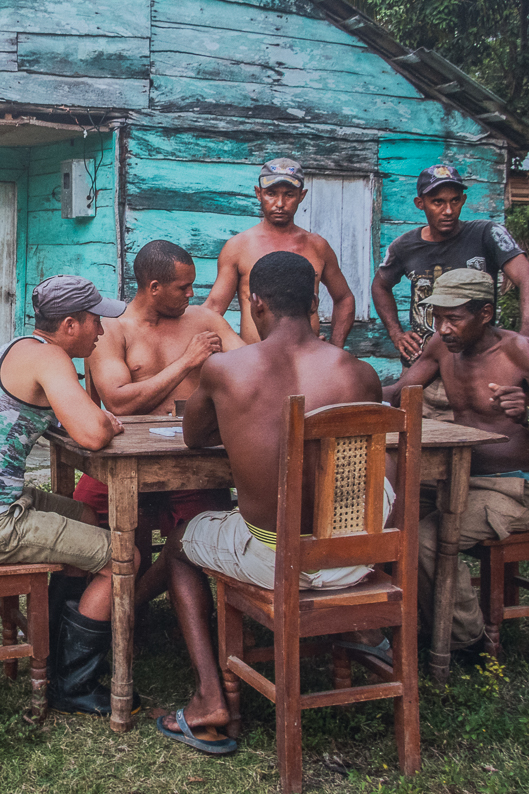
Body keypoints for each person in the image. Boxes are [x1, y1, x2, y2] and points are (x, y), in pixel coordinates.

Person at [158, 251, 387, 755]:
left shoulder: (225, 369)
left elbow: (196, 439)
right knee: (380, 490)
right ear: (313, 303)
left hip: (273, 557)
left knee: (178, 546)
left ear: (255, 303)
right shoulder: (359, 372)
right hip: (353, 558)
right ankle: (367, 630)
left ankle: (209, 698)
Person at [0, 274, 140, 716]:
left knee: (85, 512)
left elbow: (72, 421)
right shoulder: (52, 360)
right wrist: (101, 423)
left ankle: (59, 640)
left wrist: (96, 420)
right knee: (127, 558)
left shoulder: (20, 348)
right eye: (94, 321)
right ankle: (74, 682)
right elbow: (92, 432)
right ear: (68, 325)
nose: (101, 331)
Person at [381, 268, 529, 657]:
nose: (443, 328)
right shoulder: (442, 347)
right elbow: (397, 391)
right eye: (438, 318)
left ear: (486, 313)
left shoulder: (520, 351)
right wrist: (346, 384)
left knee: (427, 539)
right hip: (459, 481)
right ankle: (408, 624)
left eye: (454, 318)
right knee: (387, 512)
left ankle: (466, 641)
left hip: (517, 489)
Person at [82, 239, 243, 608]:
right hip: (124, 461)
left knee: (197, 534)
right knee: (85, 511)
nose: (192, 294)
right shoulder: (113, 328)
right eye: (183, 287)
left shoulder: (206, 321)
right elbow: (119, 401)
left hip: (192, 460)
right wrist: (188, 362)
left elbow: (251, 367)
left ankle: (133, 603)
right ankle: (83, 608)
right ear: (154, 287)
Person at [371, 163, 529, 365]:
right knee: (406, 395)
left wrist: (526, 343)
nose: (448, 210)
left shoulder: (486, 234)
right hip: (423, 363)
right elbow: (380, 286)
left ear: (463, 200)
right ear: (420, 203)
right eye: (438, 202)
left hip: (478, 364)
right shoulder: (404, 246)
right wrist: (396, 333)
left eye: (455, 201)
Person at [204, 157, 355, 347]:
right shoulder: (238, 247)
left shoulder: (317, 246)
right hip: (255, 364)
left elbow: (344, 298)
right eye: (271, 194)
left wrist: (335, 347)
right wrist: (238, 349)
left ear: (302, 195)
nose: (280, 203)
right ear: (258, 194)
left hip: (308, 362)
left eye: (289, 195)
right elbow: (213, 310)